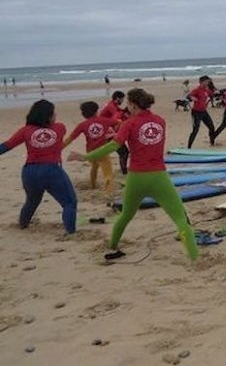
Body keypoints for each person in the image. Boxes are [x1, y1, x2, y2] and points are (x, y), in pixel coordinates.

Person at [68, 89, 199, 261]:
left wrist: (85, 157)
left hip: (137, 178)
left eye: (128, 103)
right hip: (159, 177)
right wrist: (121, 133)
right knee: (180, 219)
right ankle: (195, 258)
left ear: (133, 104)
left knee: (125, 217)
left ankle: (113, 246)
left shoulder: (129, 124)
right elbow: (143, 137)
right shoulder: (160, 121)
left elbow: (113, 146)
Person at [0, 100, 78, 234]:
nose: (56, 115)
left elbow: (6, 146)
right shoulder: (60, 127)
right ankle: (71, 232)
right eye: (53, 113)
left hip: (29, 171)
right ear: (48, 116)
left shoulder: (25, 130)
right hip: (51, 171)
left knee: (31, 201)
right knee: (69, 202)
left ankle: (22, 225)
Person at [63, 101, 117, 201]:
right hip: (103, 151)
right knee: (108, 173)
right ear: (96, 111)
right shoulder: (105, 120)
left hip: (90, 152)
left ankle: (93, 185)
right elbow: (119, 123)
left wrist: (59, 148)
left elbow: (70, 138)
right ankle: (108, 193)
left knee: (94, 168)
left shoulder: (82, 125)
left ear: (84, 114)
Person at [100, 91, 130, 174]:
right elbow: (117, 119)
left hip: (106, 131)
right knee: (124, 152)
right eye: (122, 99)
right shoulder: (112, 107)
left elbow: (121, 112)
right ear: (117, 99)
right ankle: (124, 172)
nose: (123, 101)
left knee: (123, 152)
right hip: (106, 132)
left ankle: (123, 170)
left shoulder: (114, 106)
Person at [186, 75, 217, 148]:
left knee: (211, 127)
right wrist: (191, 97)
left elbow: (212, 95)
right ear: (202, 82)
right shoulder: (197, 90)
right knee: (195, 130)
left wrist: (216, 93)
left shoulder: (207, 90)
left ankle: (212, 143)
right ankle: (189, 147)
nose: (207, 83)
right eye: (206, 81)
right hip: (196, 113)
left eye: (208, 81)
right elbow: (188, 96)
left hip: (204, 112)